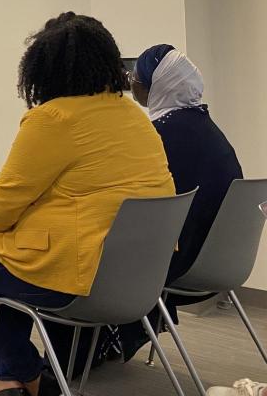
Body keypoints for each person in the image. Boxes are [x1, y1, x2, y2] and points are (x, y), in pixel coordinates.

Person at [0, 12, 174, 396]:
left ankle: (25, 373)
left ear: (42, 71)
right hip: (142, 279)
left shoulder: (52, 119)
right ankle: (11, 377)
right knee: (2, 264)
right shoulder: (137, 118)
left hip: (83, 281)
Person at [98, 44, 244, 362]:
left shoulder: (158, 135)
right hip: (220, 258)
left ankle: (92, 346)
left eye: (135, 77)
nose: (129, 82)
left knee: (93, 251)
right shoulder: (206, 127)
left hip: (183, 259)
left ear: (155, 88)